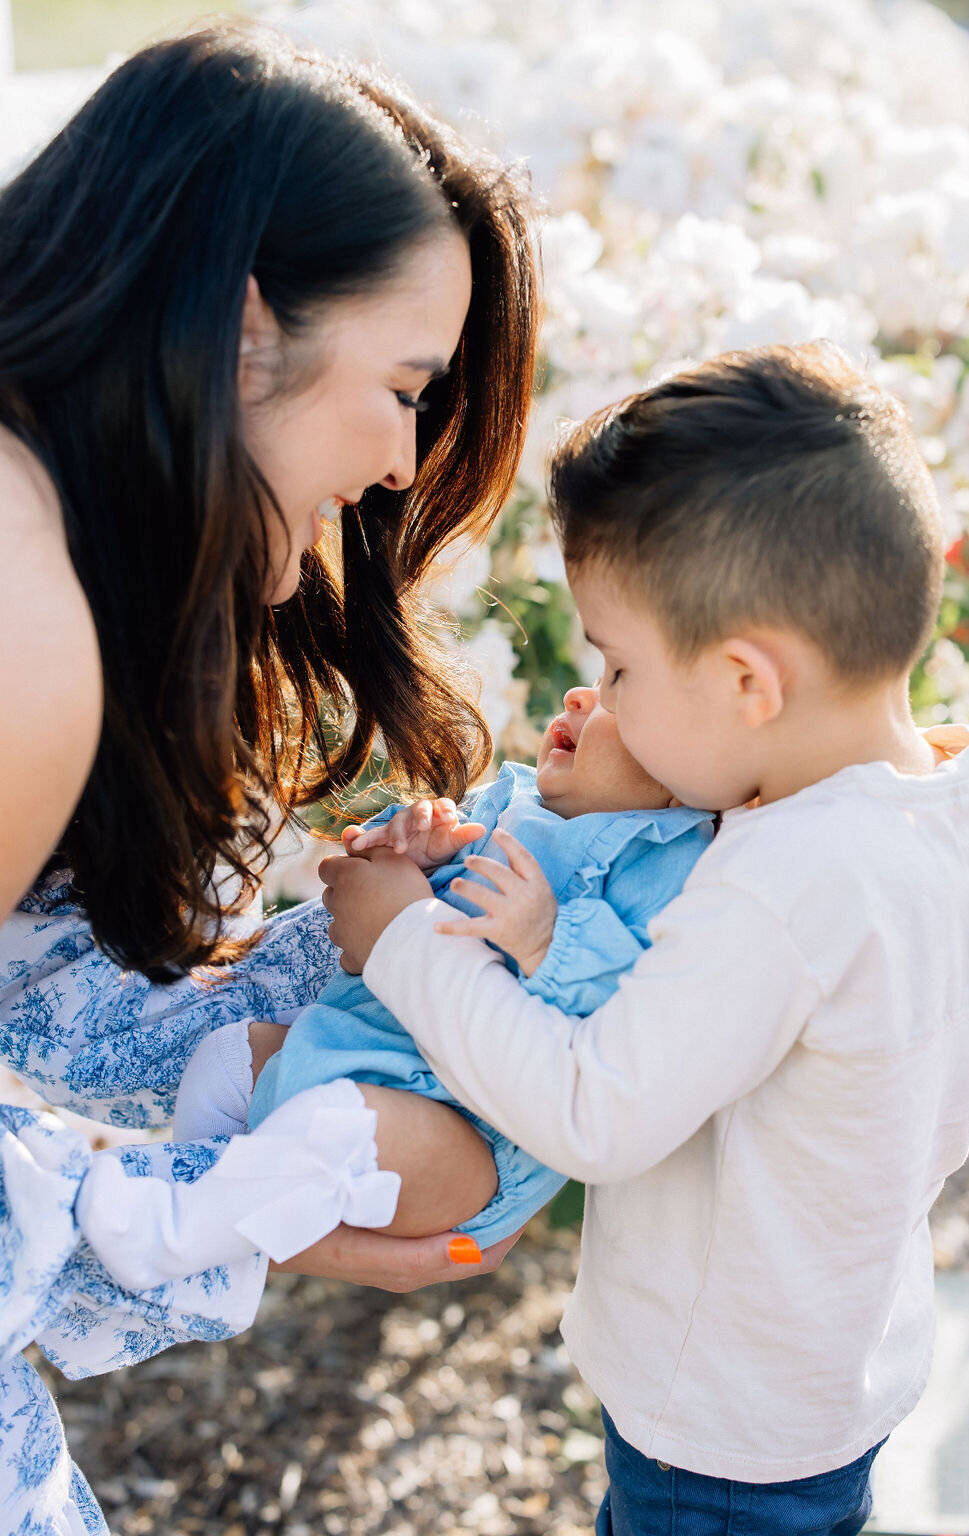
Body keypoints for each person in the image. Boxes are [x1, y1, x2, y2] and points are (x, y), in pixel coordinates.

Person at [319, 342, 969, 1536]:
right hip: (838, 1364)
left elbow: (597, 1110)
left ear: (750, 681)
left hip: (717, 1423)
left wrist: (403, 943)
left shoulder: (784, 885)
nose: (604, 697)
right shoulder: (964, 803)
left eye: (622, 664)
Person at [0, 21, 537, 1532]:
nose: (400, 462)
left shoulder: (55, 546)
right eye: (406, 382)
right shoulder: (21, 611)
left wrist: (377, 961)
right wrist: (223, 1221)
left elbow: (50, 1000)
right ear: (243, 331)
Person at [173, 683, 714, 1247]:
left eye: (617, 693)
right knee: (228, 1056)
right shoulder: (510, 801)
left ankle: (200, 1227)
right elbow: (389, 903)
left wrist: (549, 939)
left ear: (683, 773)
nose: (580, 695)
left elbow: (633, 1006)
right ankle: (194, 1189)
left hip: (464, 1128)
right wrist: (412, 849)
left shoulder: (664, 855)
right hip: (354, 1044)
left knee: (334, 1127)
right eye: (596, 679)